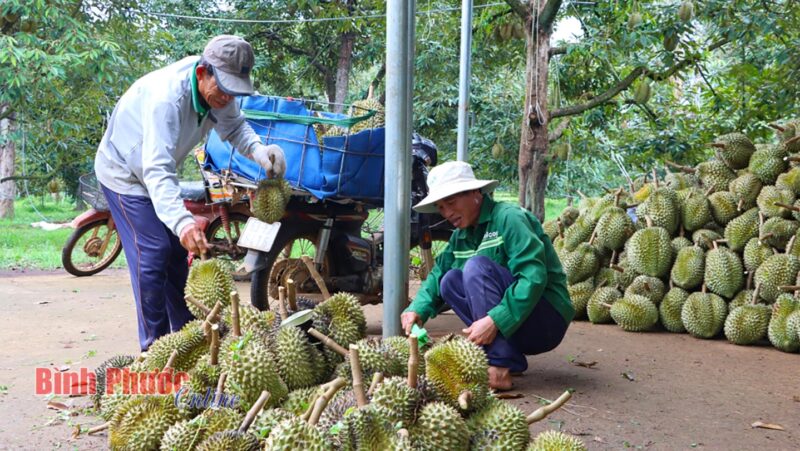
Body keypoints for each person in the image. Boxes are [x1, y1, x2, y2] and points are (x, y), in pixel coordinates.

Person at [94, 35, 286, 351]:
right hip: (124, 173)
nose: (227, 97)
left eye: (234, 91)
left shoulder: (219, 94)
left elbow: (235, 127)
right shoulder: (166, 100)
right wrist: (183, 222)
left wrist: (259, 151)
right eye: (223, 88)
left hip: (154, 174)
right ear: (202, 73)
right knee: (153, 253)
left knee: (175, 256)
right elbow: (156, 170)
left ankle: (188, 336)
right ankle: (154, 349)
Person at [401, 161, 574, 390]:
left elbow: (533, 277)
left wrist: (495, 320)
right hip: (518, 325)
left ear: (475, 193)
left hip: (547, 319)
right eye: (441, 207)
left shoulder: (509, 218)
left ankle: (499, 365)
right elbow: (437, 275)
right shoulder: (460, 237)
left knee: (476, 267)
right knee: (450, 281)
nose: (447, 212)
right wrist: (417, 309)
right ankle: (509, 358)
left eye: (451, 202)